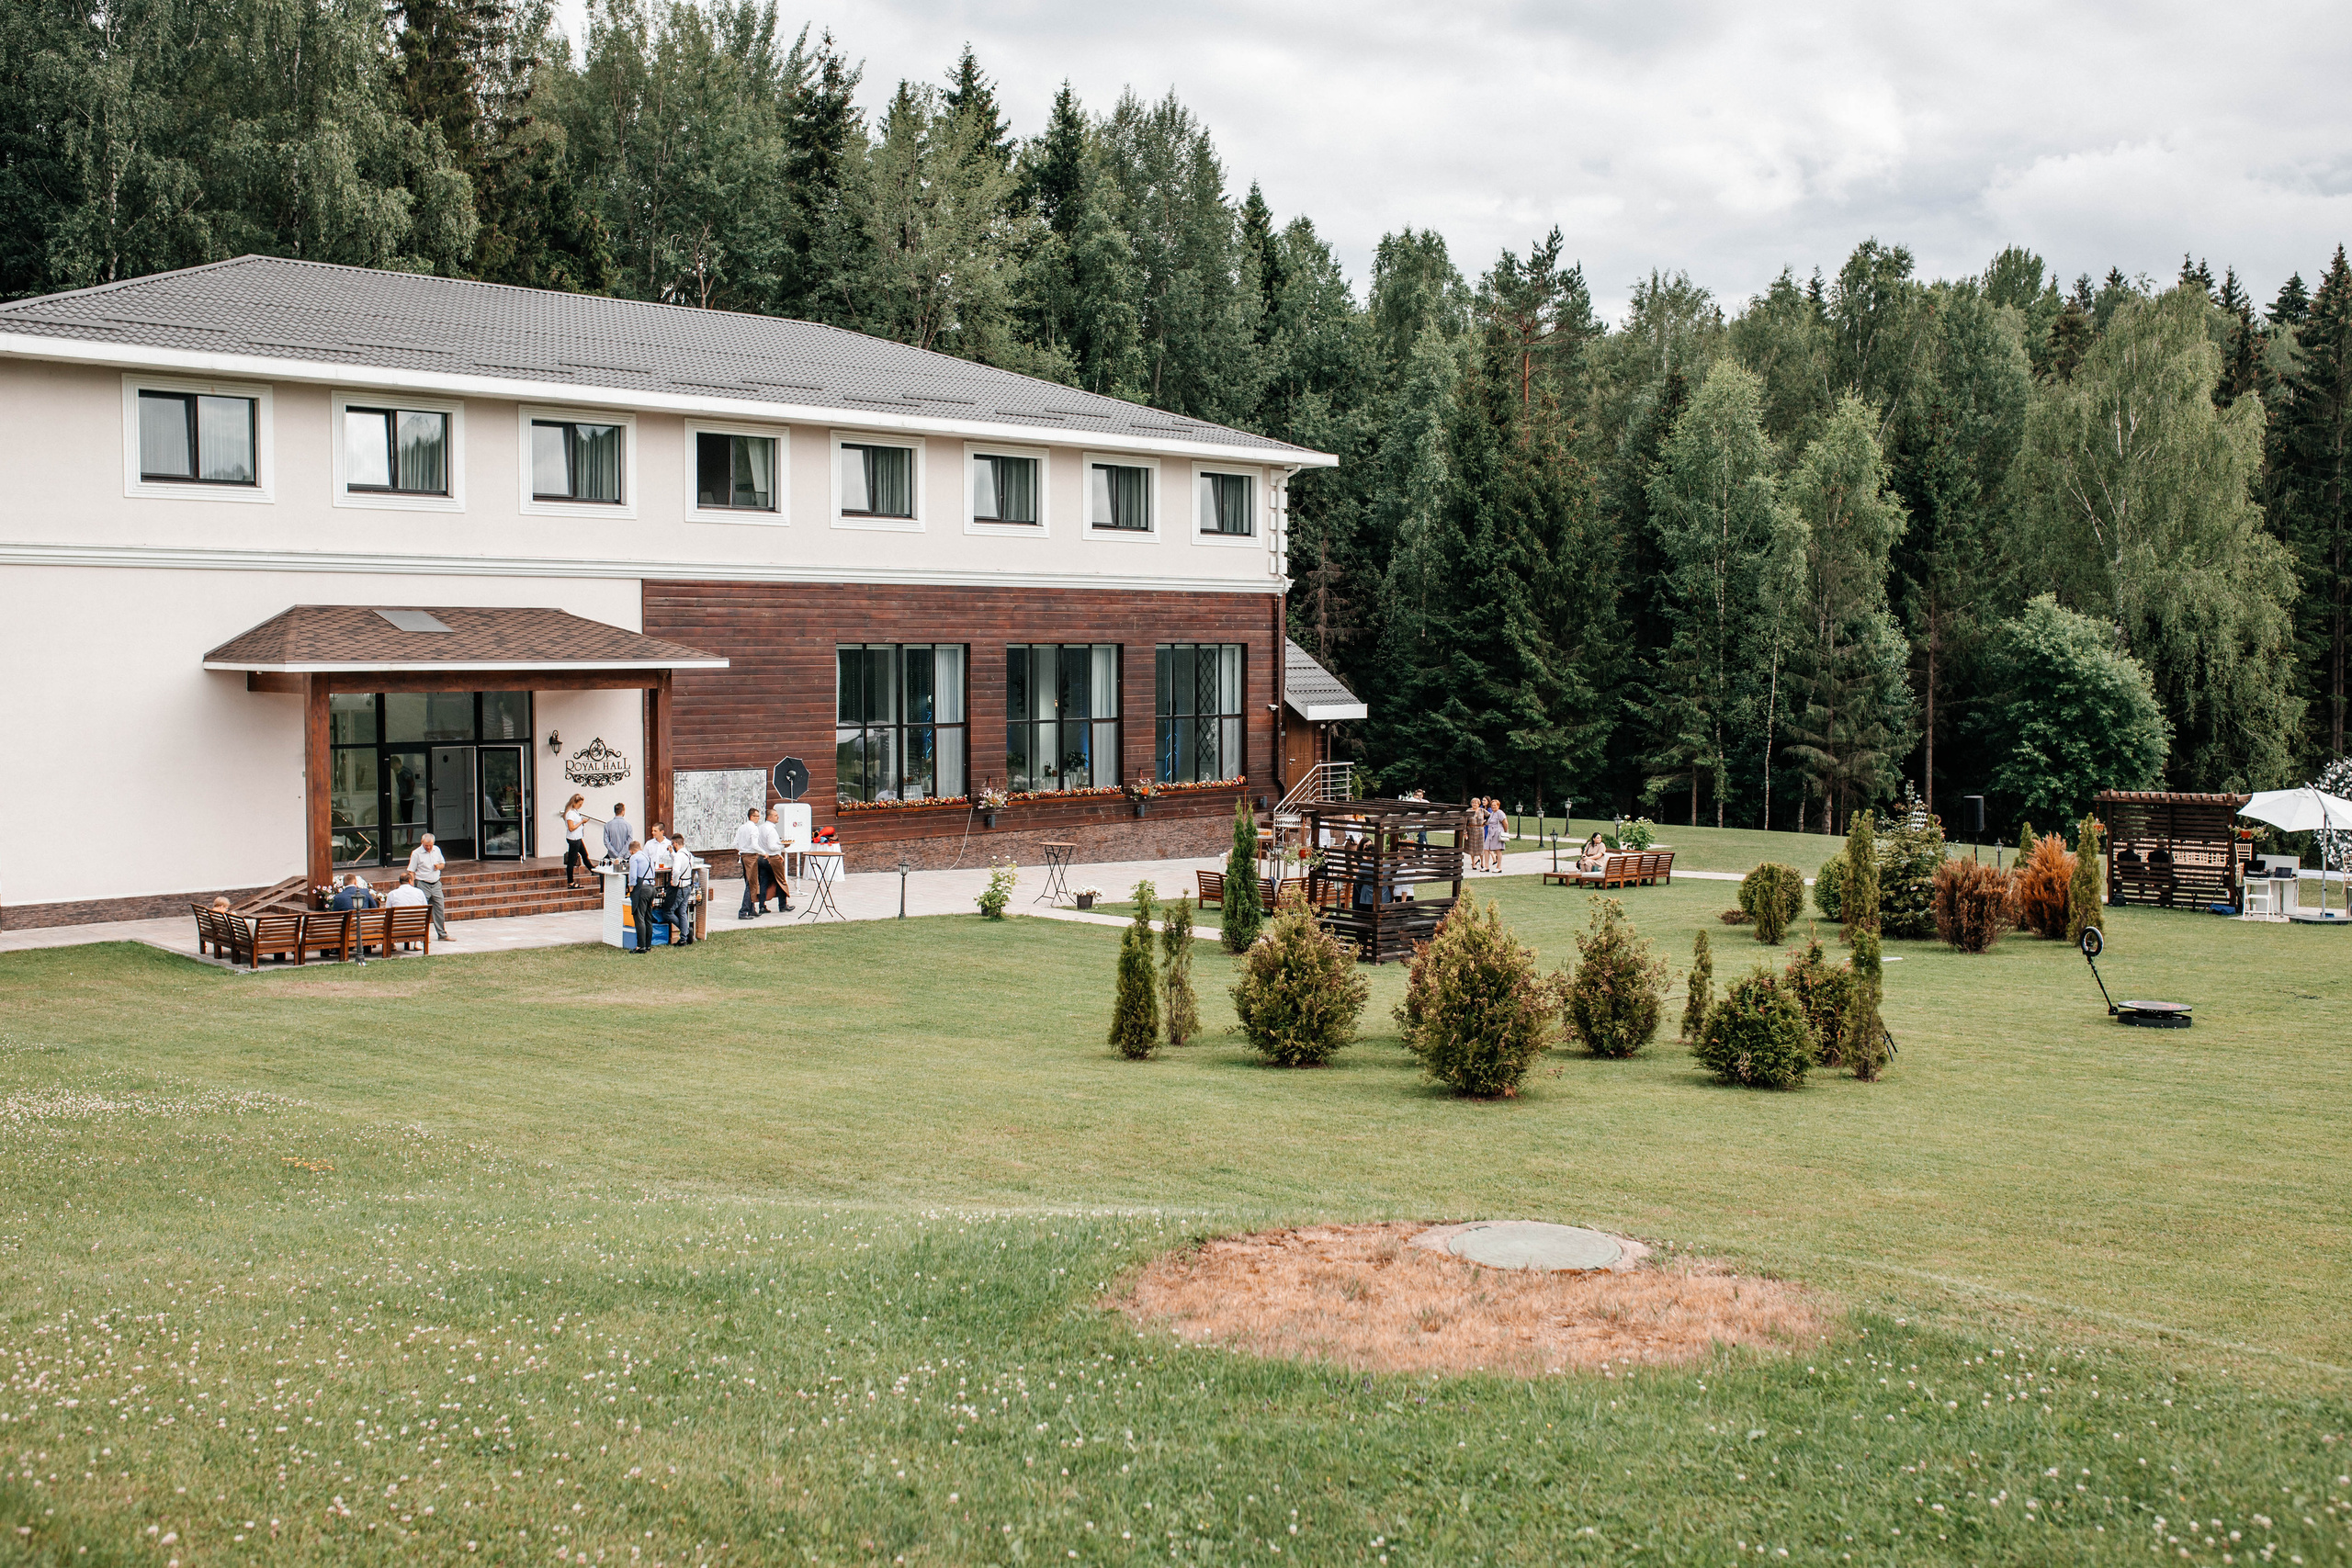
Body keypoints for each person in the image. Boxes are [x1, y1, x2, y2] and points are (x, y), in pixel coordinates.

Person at [407, 833, 451, 940]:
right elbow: (411, 870)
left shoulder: (437, 850)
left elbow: (443, 864)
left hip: (436, 883)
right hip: (423, 883)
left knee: (439, 908)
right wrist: (412, 883)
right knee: (422, 910)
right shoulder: (416, 853)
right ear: (422, 843)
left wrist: (438, 866)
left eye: (430, 845)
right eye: (426, 845)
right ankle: (422, 936)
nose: (429, 847)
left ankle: (442, 934)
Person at [625, 837, 660, 954]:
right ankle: (648, 945)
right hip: (651, 888)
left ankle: (641, 946)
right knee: (648, 917)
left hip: (642, 888)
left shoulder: (634, 857)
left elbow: (633, 876)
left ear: (631, 851)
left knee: (639, 917)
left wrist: (631, 887)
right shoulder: (649, 857)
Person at [734, 807, 766, 919]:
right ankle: (743, 911)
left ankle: (752, 908)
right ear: (752, 816)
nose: (758, 819)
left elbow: (735, 843)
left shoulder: (741, 828)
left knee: (750, 883)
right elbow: (754, 845)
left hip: (743, 856)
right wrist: (763, 852)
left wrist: (742, 850)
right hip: (751, 857)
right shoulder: (753, 828)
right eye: (757, 816)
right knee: (751, 884)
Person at [760, 806, 794, 913]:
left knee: (764, 882)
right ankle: (783, 905)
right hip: (772, 858)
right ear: (769, 818)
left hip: (762, 858)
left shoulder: (760, 828)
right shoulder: (771, 830)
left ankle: (761, 905)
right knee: (781, 880)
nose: (777, 817)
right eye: (775, 816)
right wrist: (783, 846)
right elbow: (772, 846)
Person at [667, 837, 699, 945]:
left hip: (680, 887)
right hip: (688, 886)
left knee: (668, 912)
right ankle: (683, 938)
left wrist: (674, 882)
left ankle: (685, 931)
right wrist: (672, 854)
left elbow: (676, 871)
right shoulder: (689, 854)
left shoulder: (679, 856)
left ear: (675, 843)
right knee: (682, 911)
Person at [561, 795, 593, 887]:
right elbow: (571, 828)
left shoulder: (574, 812)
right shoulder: (570, 813)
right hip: (574, 839)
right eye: (579, 804)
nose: (580, 806)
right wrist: (581, 822)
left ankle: (592, 869)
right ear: (574, 803)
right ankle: (570, 882)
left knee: (584, 854)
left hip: (578, 838)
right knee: (571, 861)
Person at [602, 801, 634, 865]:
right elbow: (629, 842)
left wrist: (615, 854)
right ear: (623, 811)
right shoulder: (628, 825)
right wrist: (620, 855)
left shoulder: (607, 825)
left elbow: (606, 842)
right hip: (625, 857)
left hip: (612, 856)